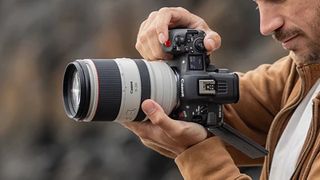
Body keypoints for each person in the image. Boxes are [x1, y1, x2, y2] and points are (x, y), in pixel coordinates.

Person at [122, 0, 320, 179]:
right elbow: (221, 108)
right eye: (258, 5)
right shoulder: (305, 73)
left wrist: (198, 156)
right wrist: (183, 59)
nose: (266, 27)